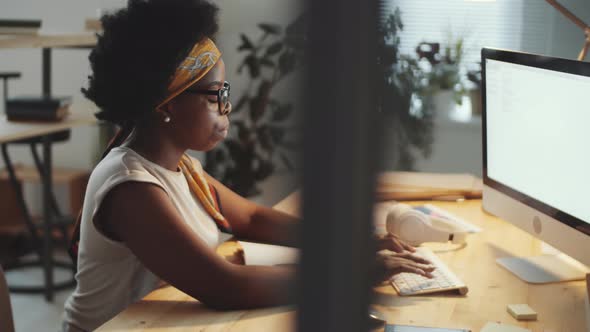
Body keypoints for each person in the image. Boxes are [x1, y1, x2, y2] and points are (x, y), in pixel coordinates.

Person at [62, 0, 434, 331]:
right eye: (215, 97)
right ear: (166, 104)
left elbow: (252, 218)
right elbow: (223, 285)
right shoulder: (131, 187)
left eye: (226, 94)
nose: (227, 110)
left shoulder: (179, 167)